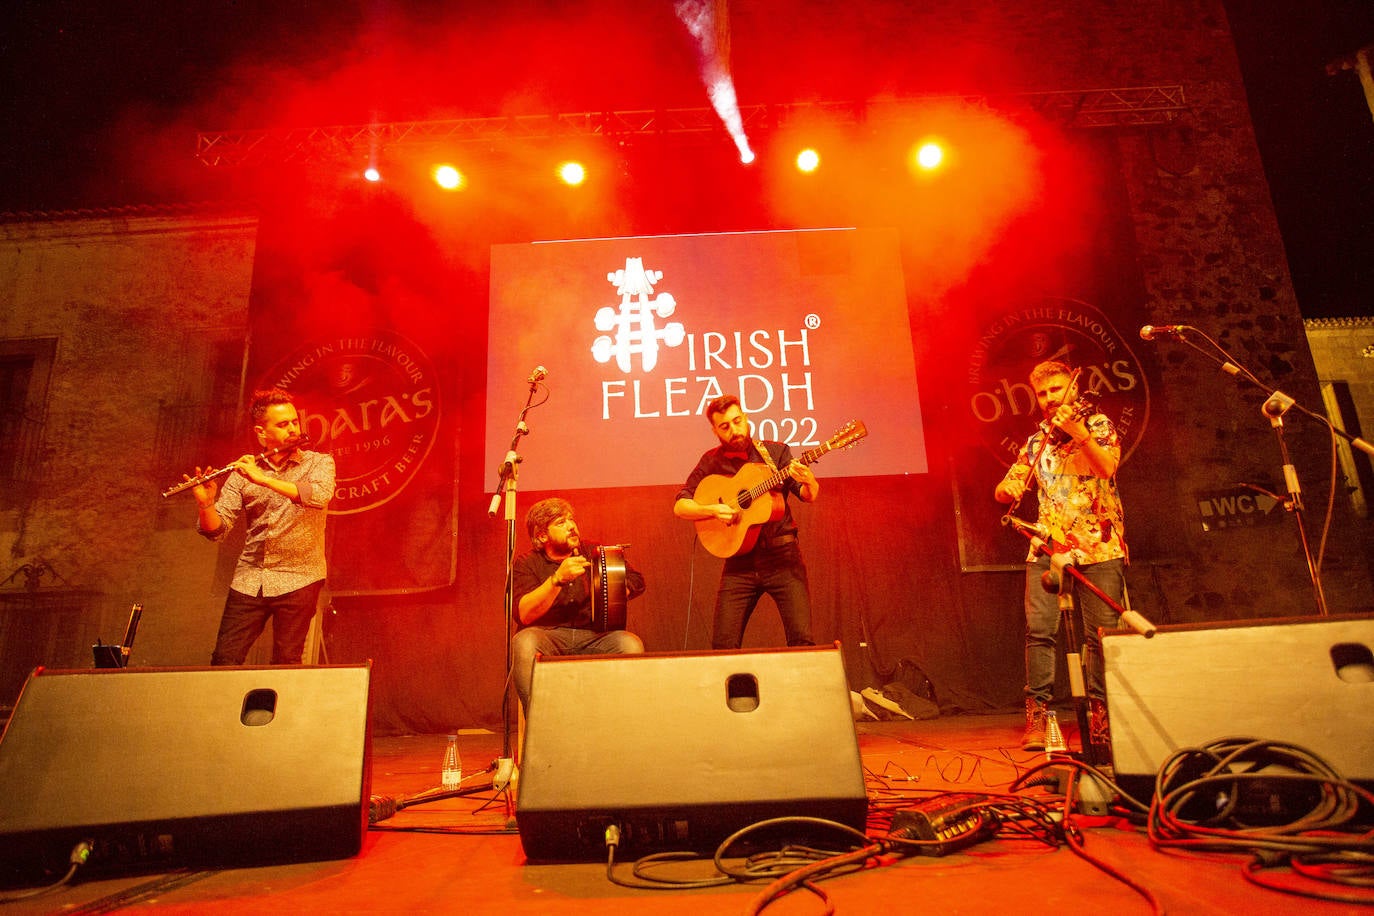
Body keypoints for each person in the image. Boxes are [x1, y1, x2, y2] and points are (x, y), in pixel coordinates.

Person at [994, 360, 1128, 751]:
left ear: (1073, 386)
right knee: (1039, 632)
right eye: (1043, 394)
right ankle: (1039, 716)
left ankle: (1101, 717)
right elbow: (1011, 483)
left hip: (1098, 546)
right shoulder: (1037, 441)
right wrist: (1007, 488)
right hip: (1048, 546)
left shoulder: (1098, 425)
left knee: (1100, 637)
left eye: (1057, 390)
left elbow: (1107, 468)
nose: (1050, 399)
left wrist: (1079, 433)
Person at [190, 387, 335, 666]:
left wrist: (262, 480)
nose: (293, 429)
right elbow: (216, 532)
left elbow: (317, 496)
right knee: (224, 659)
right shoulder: (242, 473)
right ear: (261, 433)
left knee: (286, 661)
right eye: (283, 425)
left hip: (300, 575)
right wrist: (206, 504)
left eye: (294, 421)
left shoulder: (319, 463)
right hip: (250, 577)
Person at [673, 394, 820, 650]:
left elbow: (807, 495)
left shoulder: (776, 453)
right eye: (725, 426)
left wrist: (810, 481)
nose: (734, 430)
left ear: (746, 418)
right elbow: (680, 506)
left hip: (783, 558)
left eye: (737, 421)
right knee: (723, 646)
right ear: (715, 430)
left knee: (802, 643)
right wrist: (712, 509)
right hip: (739, 564)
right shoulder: (711, 461)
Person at [511, 497, 646, 711]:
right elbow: (524, 614)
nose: (571, 526)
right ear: (542, 535)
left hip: (594, 637)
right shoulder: (527, 563)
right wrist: (557, 579)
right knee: (524, 641)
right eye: (561, 523)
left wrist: (613, 588)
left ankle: (620, 722)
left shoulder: (594, 551)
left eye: (571, 519)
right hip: (548, 636)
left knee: (629, 644)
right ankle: (542, 727)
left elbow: (636, 580)